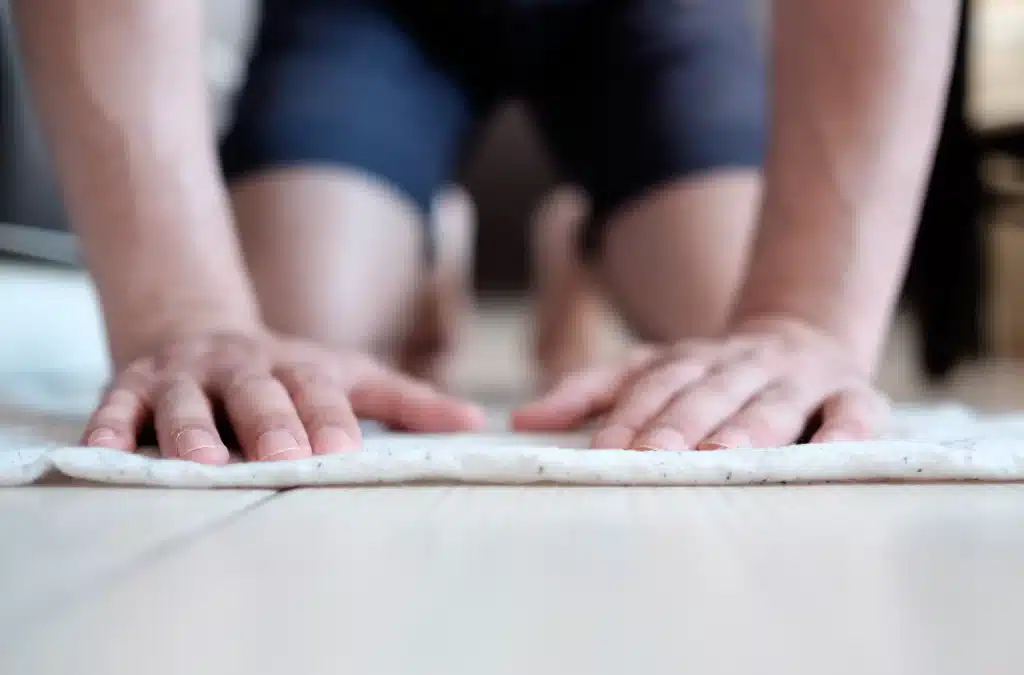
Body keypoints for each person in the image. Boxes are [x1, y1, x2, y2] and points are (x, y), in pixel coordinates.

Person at [11, 0, 957, 462]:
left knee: (734, 353)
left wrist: (806, 318)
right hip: (371, 9)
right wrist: (181, 310)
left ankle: (578, 241)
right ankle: (430, 248)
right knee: (285, 350)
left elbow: (796, 324)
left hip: (645, 11)